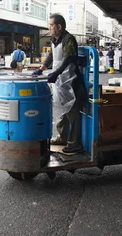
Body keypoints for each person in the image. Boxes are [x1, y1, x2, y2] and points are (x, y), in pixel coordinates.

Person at [32, 14, 86, 155]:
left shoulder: (69, 39)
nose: (49, 28)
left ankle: (74, 144)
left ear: (59, 26)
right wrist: (41, 69)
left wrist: (56, 73)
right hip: (59, 80)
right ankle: (62, 137)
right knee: (61, 109)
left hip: (70, 80)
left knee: (71, 111)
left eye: (51, 25)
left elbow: (69, 58)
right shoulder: (54, 40)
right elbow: (51, 56)